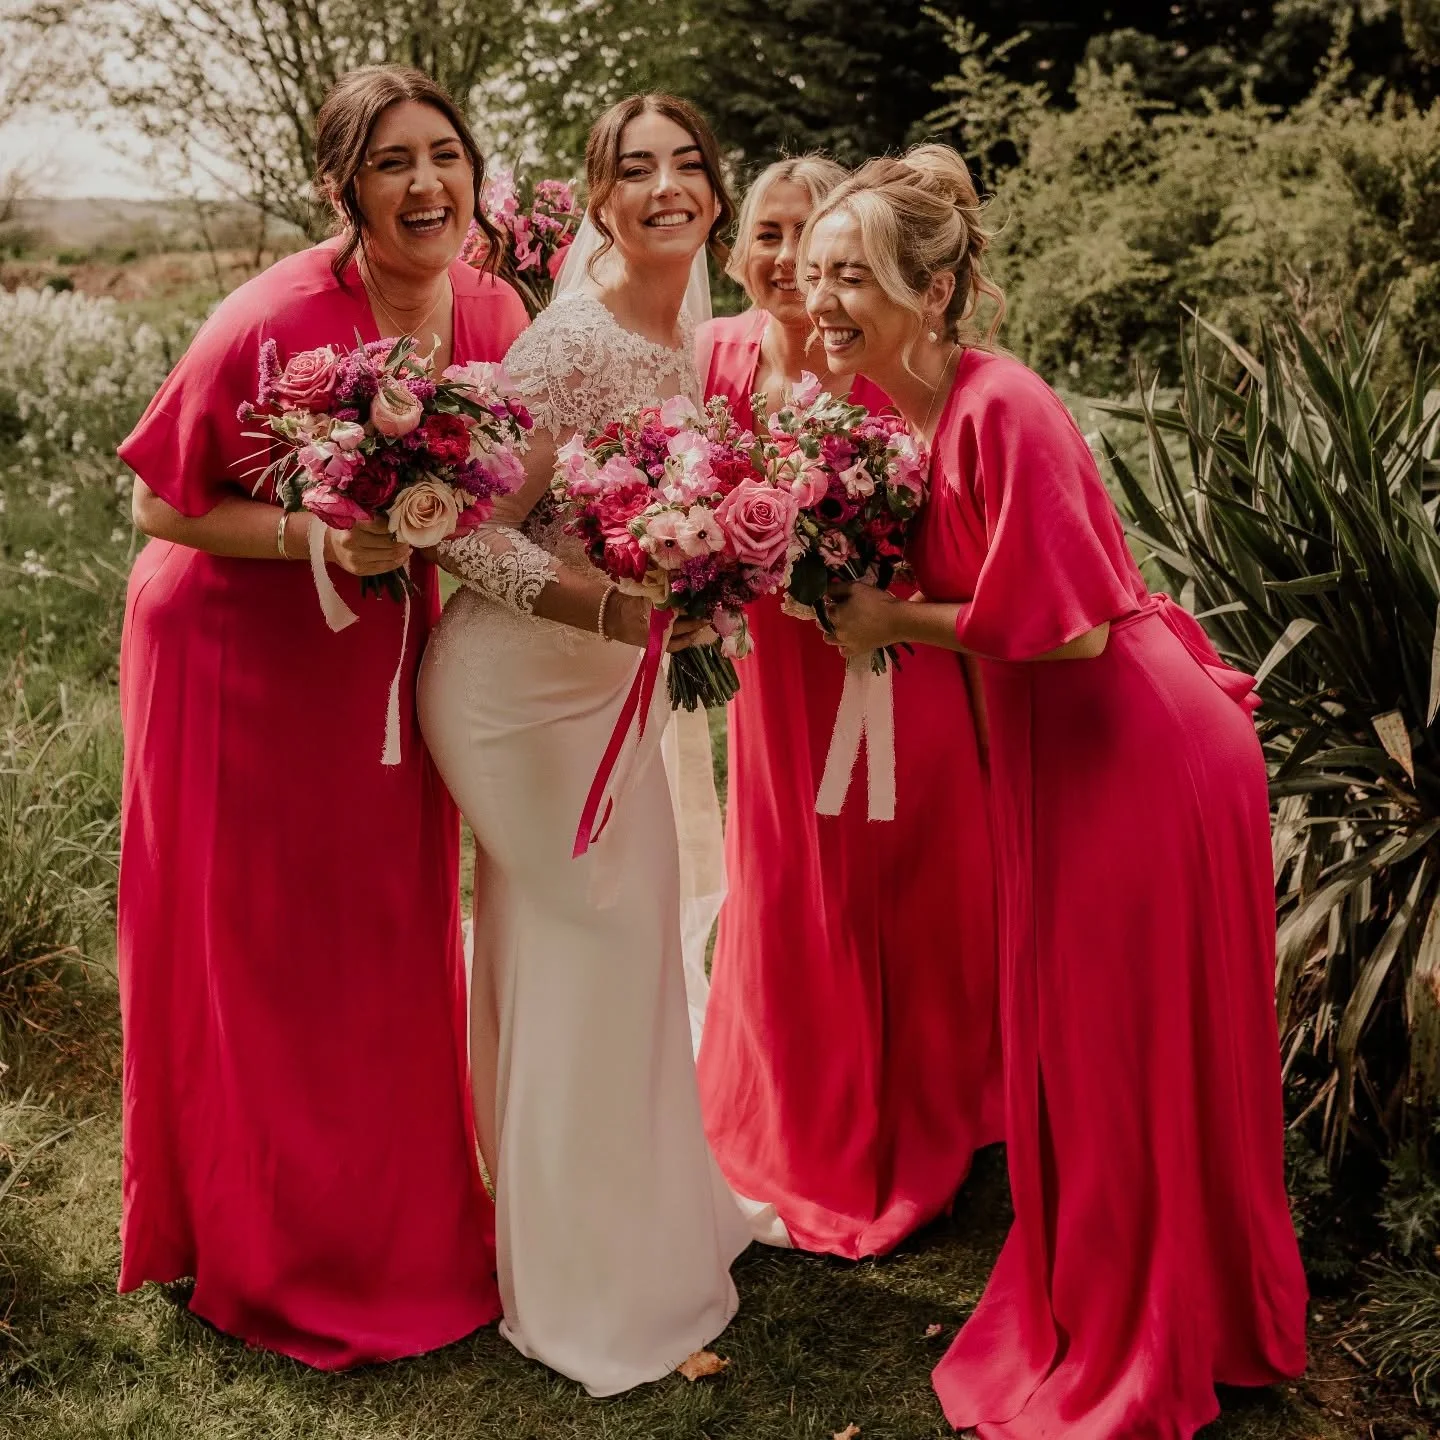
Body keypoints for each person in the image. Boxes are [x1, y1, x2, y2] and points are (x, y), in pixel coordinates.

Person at [808, 145, 1309, 1437]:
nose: (821, 300)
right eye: (814, 274)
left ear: (932, 290)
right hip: (1061, 757)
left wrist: (890, 620)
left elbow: (1074, 633)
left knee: (1124, 1054)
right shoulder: (909, 419)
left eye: (850, 275)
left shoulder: (1002, 406)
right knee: (1086, 1052)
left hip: (1135, 755)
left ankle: (1168, 1327)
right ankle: (1139, 1301)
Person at [117, 65, 529, 1368]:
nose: (427, 183)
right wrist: (314, 535)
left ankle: (395, 1220)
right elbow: (158, 503)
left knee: (383, 924)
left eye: (445, 155)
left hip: (380, 655)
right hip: (234, 653)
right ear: (342, 188)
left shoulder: (492, 306)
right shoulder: (275, 317)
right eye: (392, 162)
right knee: (264, 942)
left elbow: (512, 491)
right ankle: (267, 1240)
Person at [417, 93, 778, 1398]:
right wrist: (615, 610)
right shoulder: (568, 344)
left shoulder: (689, 330)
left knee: (626, 951)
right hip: (513, 699)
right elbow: (459, 527)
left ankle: (638, 1228)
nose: (667, 186)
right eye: (637, 169)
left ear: (714, 191)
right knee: (594, 949)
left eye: (688, 164)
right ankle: (580, 1288)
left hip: (611, 693)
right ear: (601, 198)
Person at [694, 156, 1000, 1259]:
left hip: (890, 664)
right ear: (741, 249)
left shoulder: (883, 354)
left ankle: (934, 1103)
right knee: (787, 880)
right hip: (776, 679)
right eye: (769, 235)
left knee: (910, 880)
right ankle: (796, 1106)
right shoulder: (715, 354)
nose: (789, 262)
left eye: (811, 239)